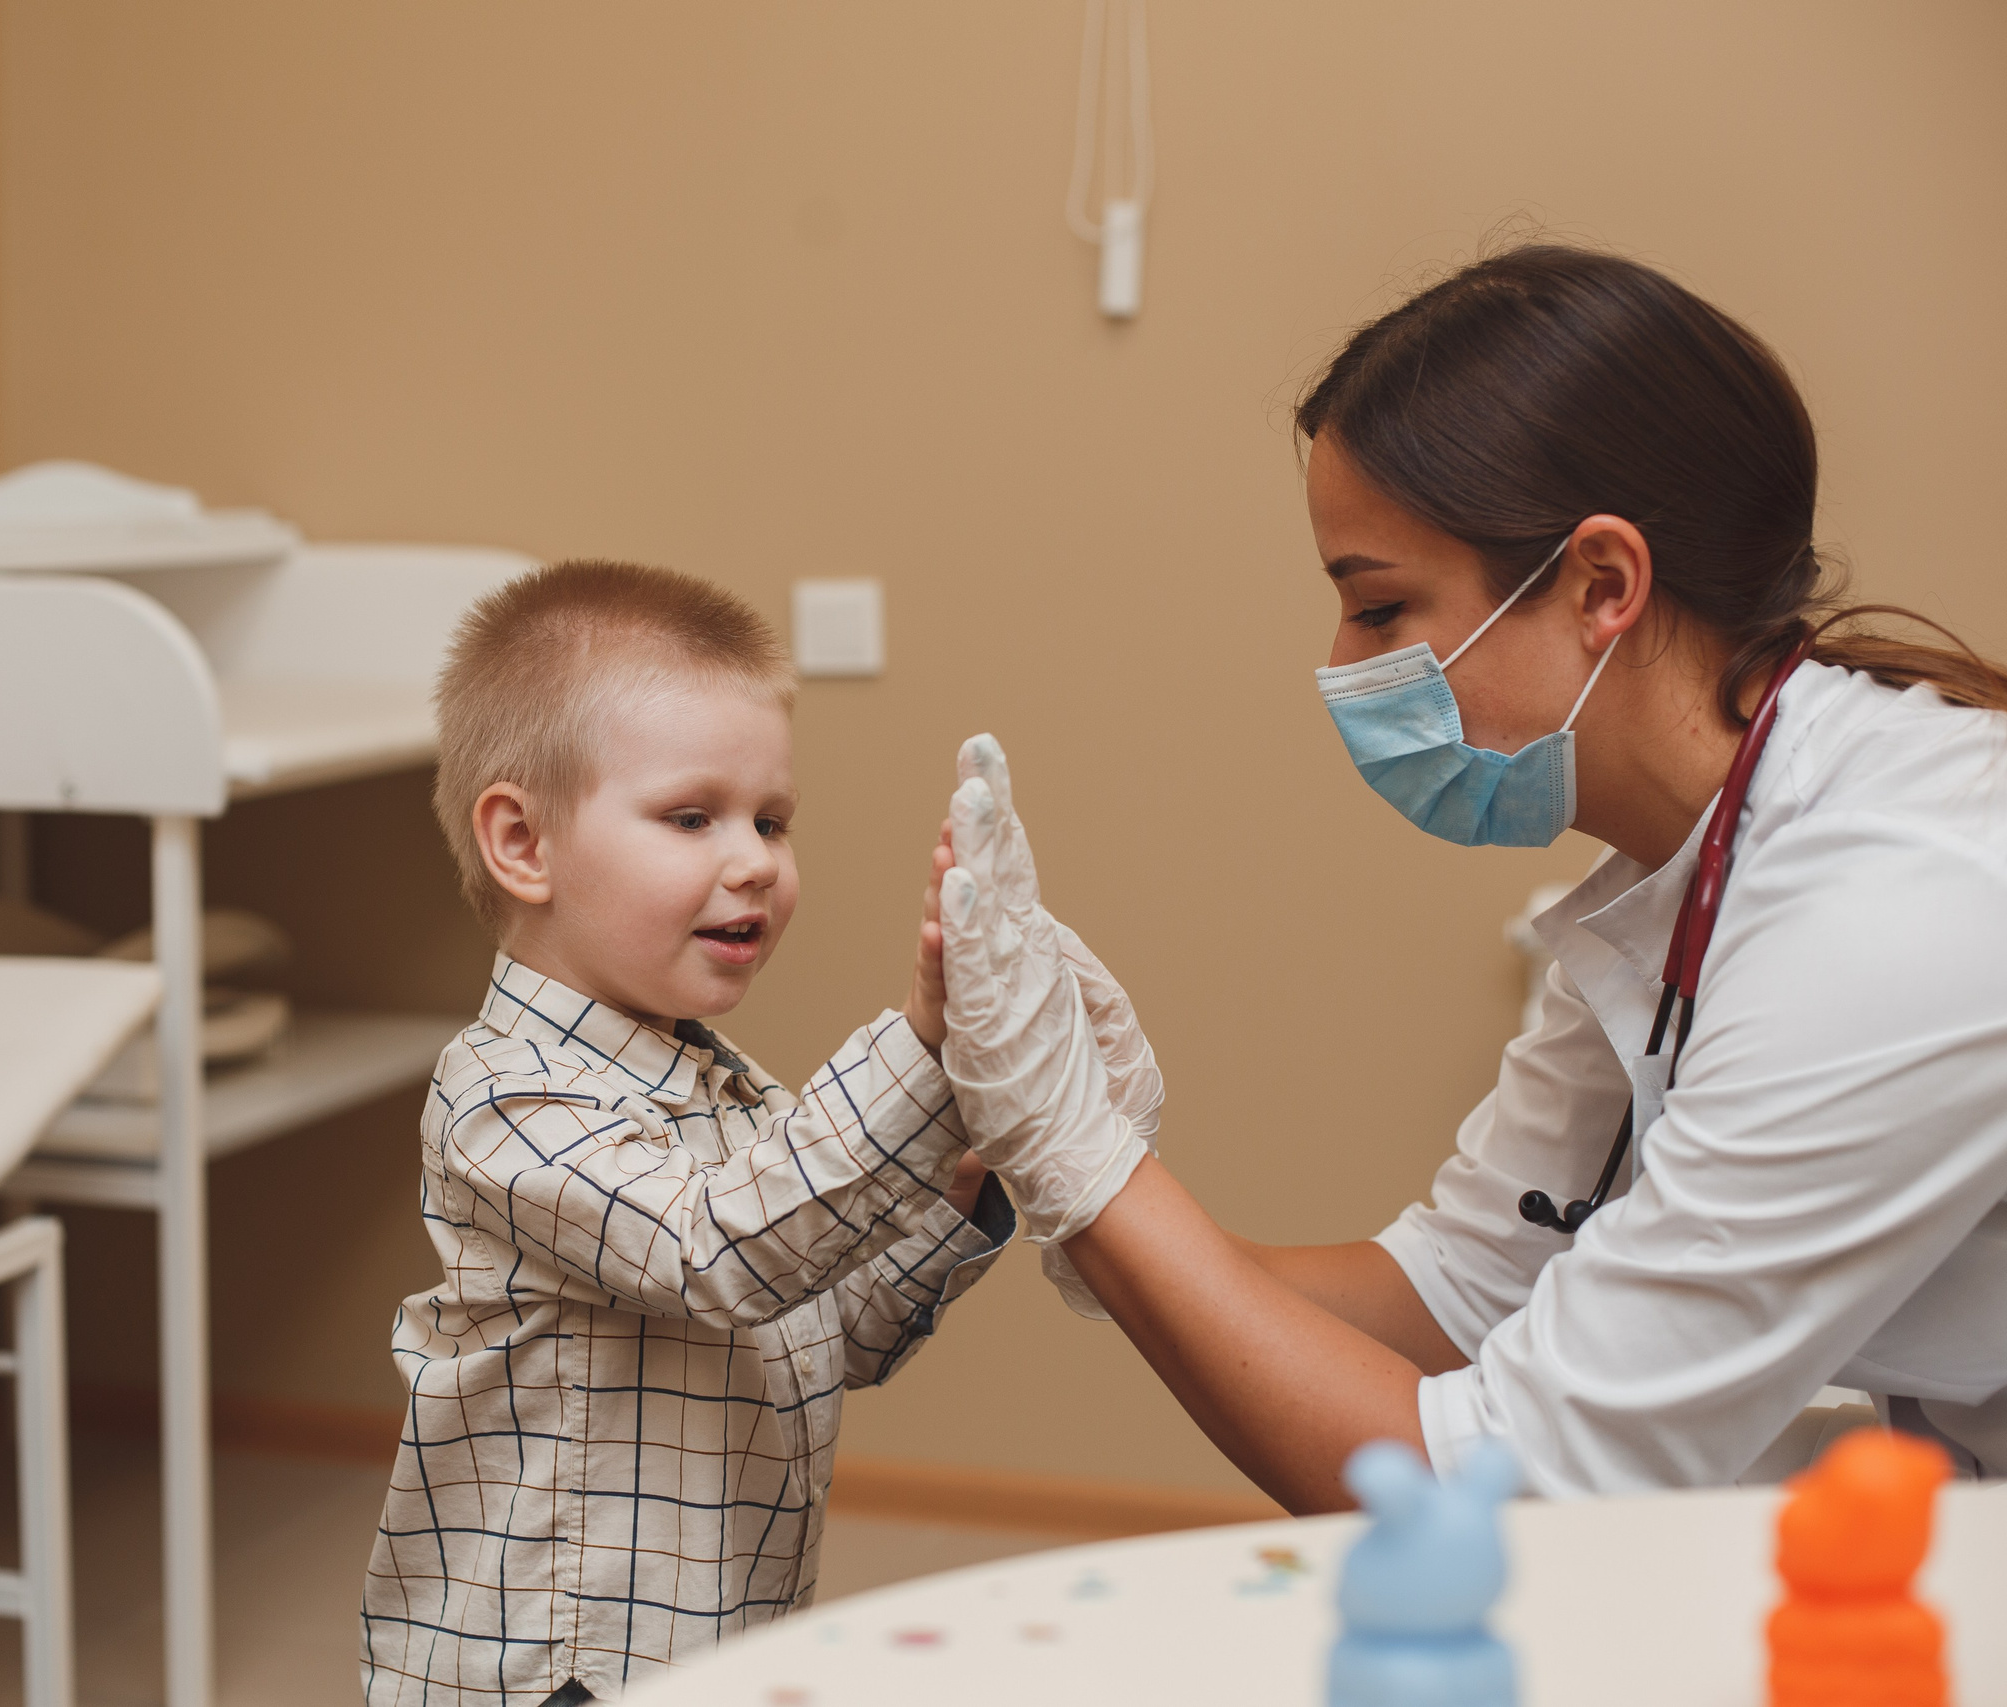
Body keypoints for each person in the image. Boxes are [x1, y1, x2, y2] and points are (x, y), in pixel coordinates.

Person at [929, 244, 2007, 1513]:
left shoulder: (1901, 907)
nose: (1339, 663)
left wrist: (1095, 1177)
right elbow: (1456, 1291)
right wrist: (1091, 1198)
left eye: (1379, 610)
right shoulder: (1677, 879)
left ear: (1602, 584)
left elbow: (1516, 1492)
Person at [360, 560, 1010, 1707]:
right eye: (692, 817)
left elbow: (825, 1329)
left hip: (716, 1641)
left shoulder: (739, 1097)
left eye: (771, 819)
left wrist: (953, 1198)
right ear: (523, 844)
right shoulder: (504, 1101)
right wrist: (916, 1043)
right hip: (552, 1672)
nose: (754, 858)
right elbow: (718, 1255)